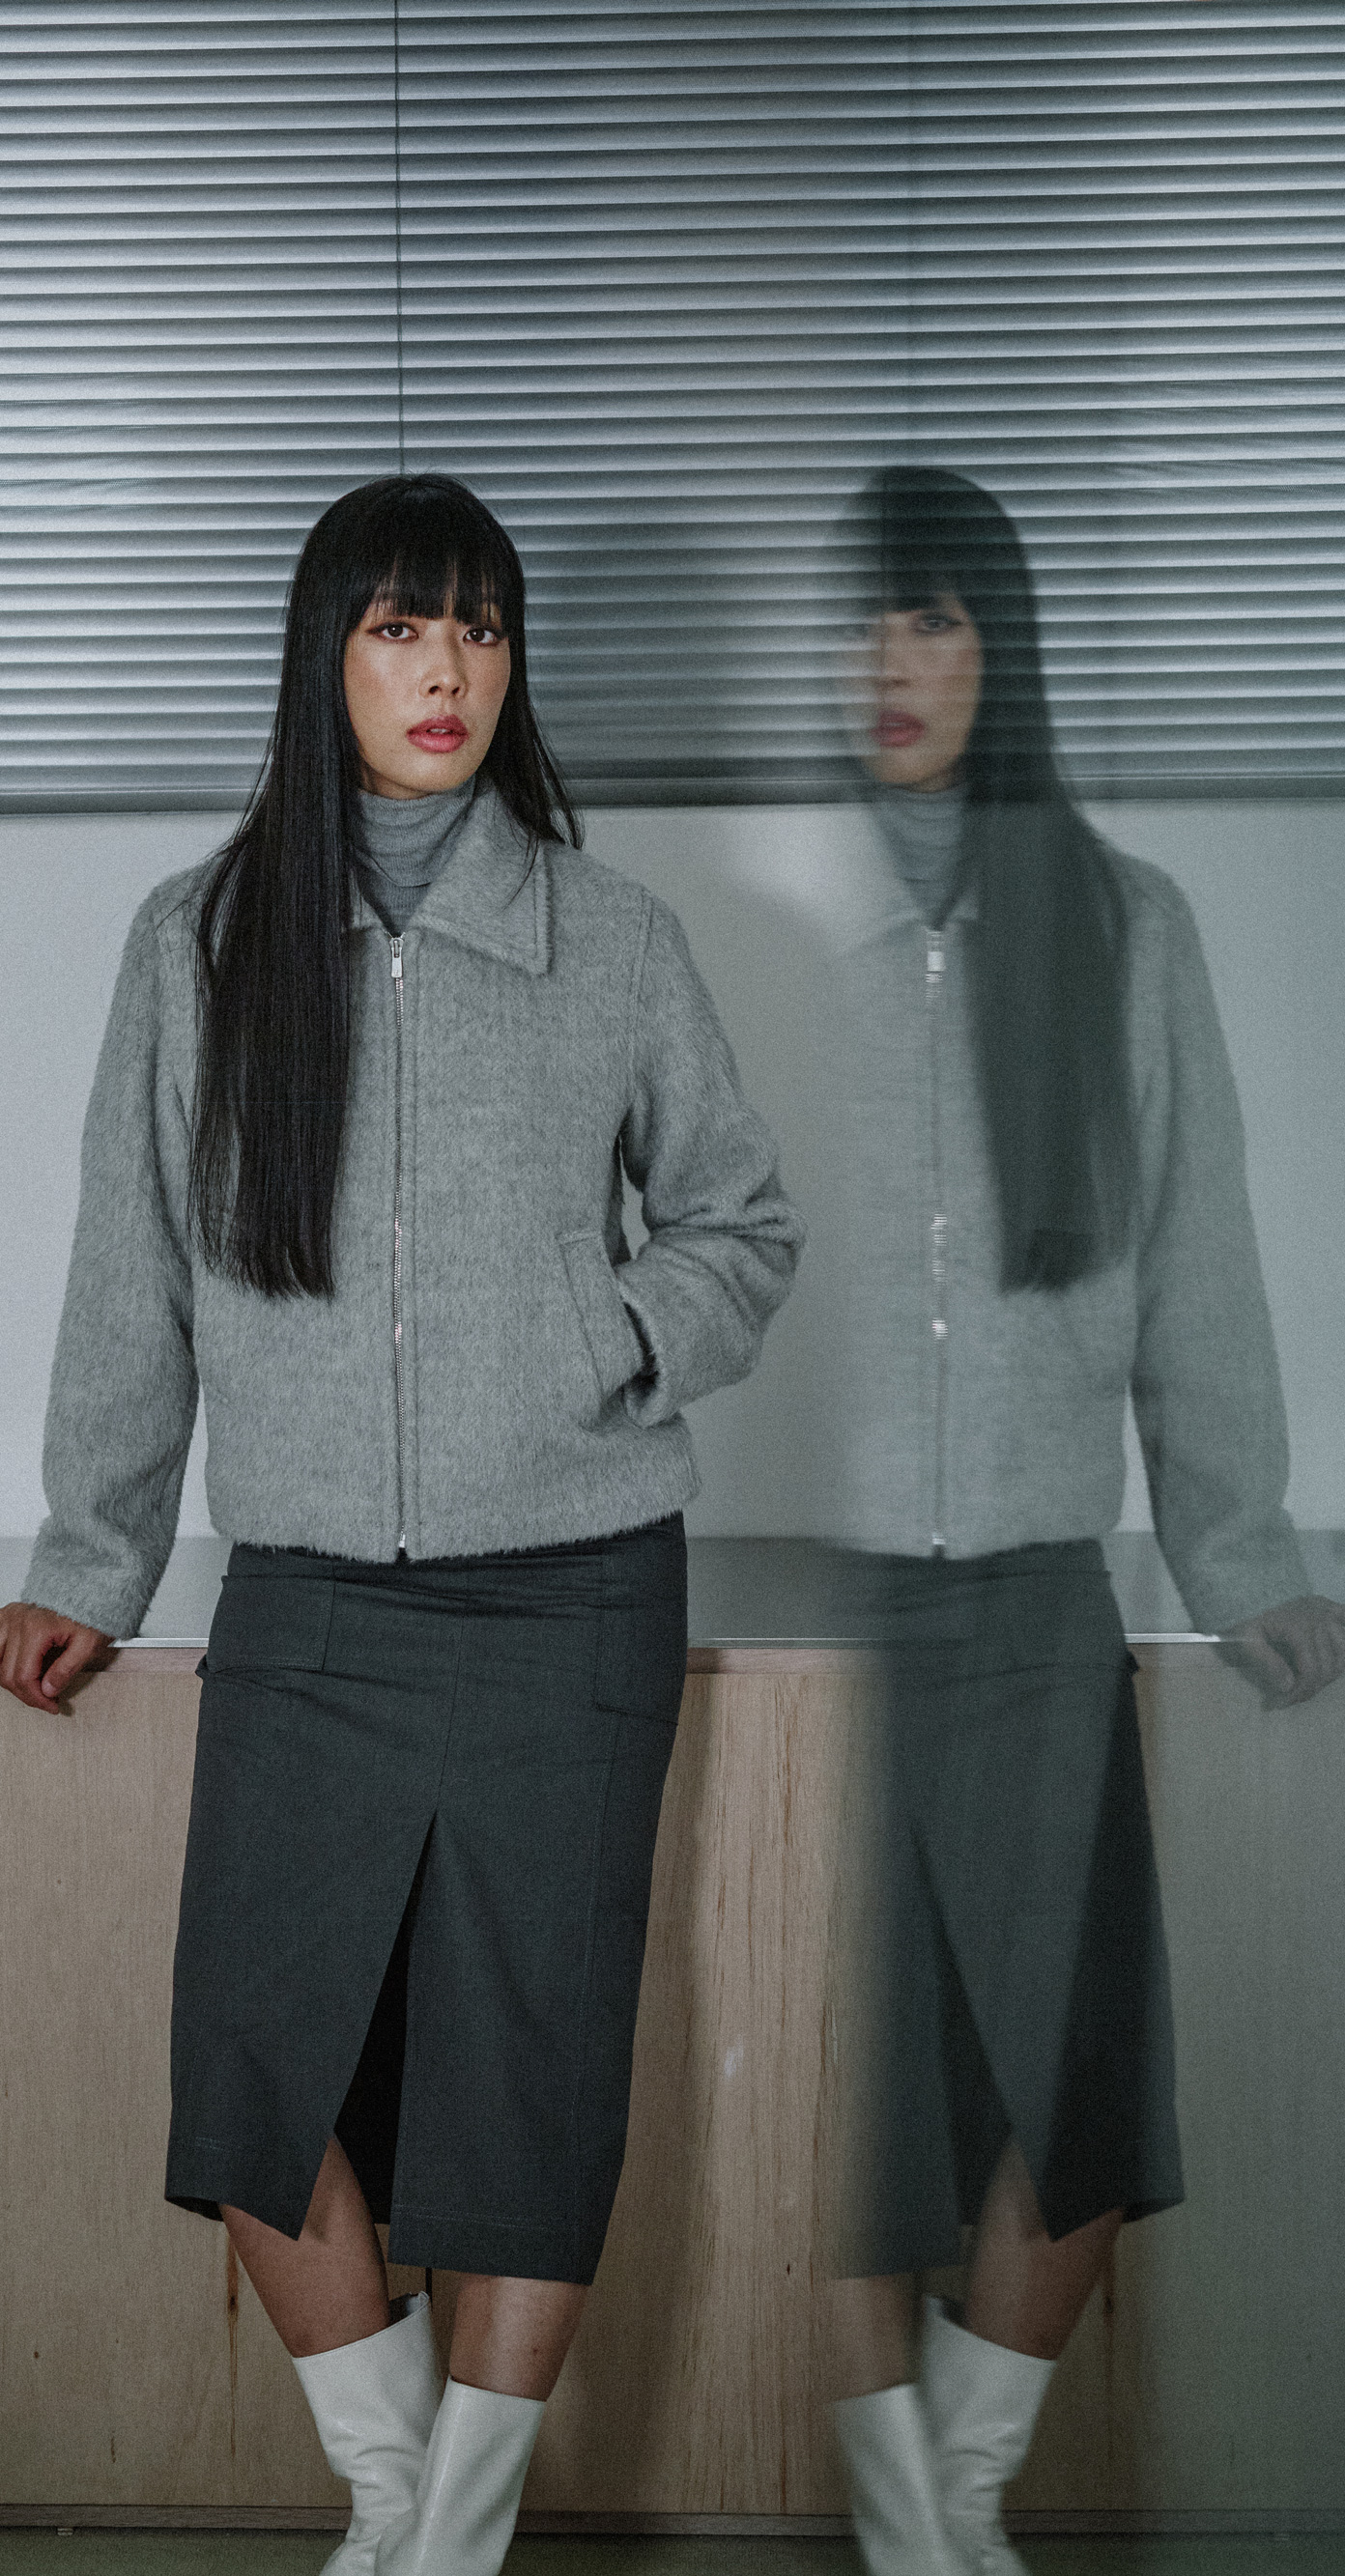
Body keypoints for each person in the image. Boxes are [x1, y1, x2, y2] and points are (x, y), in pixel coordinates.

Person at [0, 473, 803, 2575]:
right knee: (257, 2080)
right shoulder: (201, 944)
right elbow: (131, 1280)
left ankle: (442, 2544)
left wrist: (608, 1332)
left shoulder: (612, 939)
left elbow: (742, 1225)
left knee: (528, 2089)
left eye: (482, 631)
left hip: (576, 1594)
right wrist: (88, 1563)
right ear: (324, 656)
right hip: (315, 1598)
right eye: (401, 627)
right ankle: (396, 2494)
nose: (448, 673)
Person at [816, 465, 1345, 2576]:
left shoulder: (1125, 928)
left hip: (1036, 1600)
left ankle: (950, 2503)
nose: (890, 662)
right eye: (859, 620)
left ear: (998, 652)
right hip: (826, 1613)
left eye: (934, 619)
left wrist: (1245, 1555)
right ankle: (915, 2530)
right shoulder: (768, 927)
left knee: (1083, 2106)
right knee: (852, 2120)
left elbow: (1196, 1268)